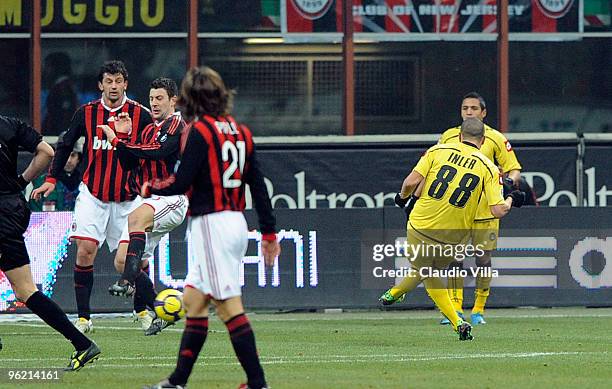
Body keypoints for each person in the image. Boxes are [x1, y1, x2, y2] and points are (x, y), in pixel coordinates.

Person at [143, 66, 280, 389]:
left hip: (210, 224)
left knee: (228, 305)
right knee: (194, 301)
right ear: (221, 95)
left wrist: (152, 187)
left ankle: (258, 383)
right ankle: (177, 381)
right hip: (235, 222)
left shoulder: (201, 131)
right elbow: (258, 186)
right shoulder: (241, 131)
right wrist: (269, 233)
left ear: (189, 99)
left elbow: (182, 180)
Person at [32, 60, 152, 333]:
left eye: (118, 81)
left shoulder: (140, 114)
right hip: (94, 195)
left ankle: (142, 309)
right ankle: (84, 318)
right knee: (85, 251)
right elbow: (64, 146)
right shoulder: (86, 113)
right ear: (101, 85)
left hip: (128, 198)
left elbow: (151, 150)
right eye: (108, 81)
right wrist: (51, 178)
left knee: (131, 261)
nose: (113, 86)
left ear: (126, 84)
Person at [379, 118, 525, 340]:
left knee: (425, 271)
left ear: (459, 136)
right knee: (428, 271)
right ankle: (395, 294)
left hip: (420, 225)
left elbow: (410, 182)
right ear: (483, 140)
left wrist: (402, 198)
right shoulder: (488, 167)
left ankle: (452, 319)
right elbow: (497, 210)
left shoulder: (438, 150)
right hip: (453, 236)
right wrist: (512, 198)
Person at [0, 114, 99, 370]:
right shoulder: (9, 124)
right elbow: (46, 151)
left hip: (2, 215)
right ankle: (82, 344)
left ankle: (82, 343)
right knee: (25, 290)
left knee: (25, 290)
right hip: (13, 207)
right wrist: (20, 182)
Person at [99, 77, 188, 335]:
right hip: (150, 201)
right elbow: (130, 163)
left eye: (160, 98)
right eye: (151, 99)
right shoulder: (148, 130)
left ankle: (127, 283)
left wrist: (118, 141)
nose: (154, 103)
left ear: (173, 100)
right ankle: (164, 306)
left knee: (135, 218)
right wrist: (124, 137)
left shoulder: (177, 125)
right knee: (121, 260)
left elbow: (158, 151)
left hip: (173, 198)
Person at [29, 136, 83, 211]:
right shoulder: (42, 183)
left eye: (73, 155)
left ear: (78, 159)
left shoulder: (86, 184)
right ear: (57, 157)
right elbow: (34, 213)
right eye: (64, 155)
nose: (68, 160)